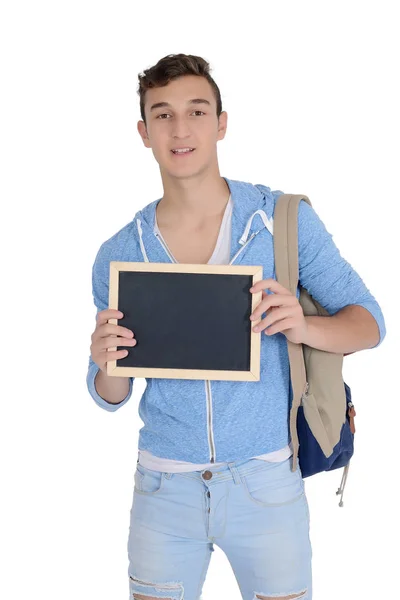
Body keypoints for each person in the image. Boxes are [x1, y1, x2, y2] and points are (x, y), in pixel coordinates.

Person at [87, 53, 386, 600]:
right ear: (144, 132)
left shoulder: (281, 222)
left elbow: (369, 324)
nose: (181, 130)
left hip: (267, 483)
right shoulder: (121, 252)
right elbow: (110, 395)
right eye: (163, 115)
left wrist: (303, 327)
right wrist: (104, 359)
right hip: (163, 490)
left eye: (197, 112)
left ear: (222, 123)